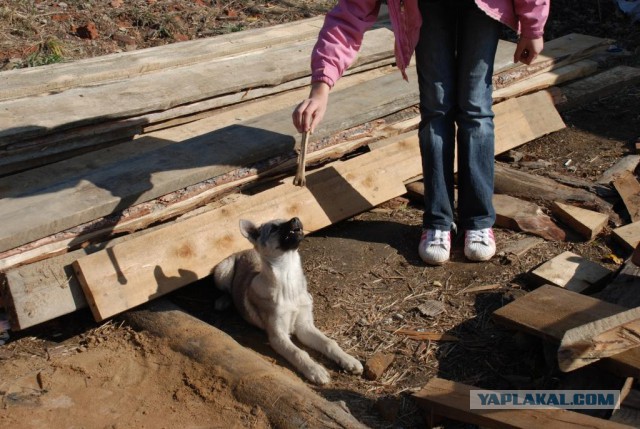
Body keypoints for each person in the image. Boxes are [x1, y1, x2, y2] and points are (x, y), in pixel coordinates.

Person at [292, 0, 549, 265]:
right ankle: (438, 220)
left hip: (485, 6)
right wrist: (320, 87)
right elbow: (350, 14)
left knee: (475, 108)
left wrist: (533, 27)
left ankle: (478, 220)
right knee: (436, 109)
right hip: (428, 6)